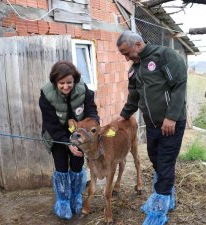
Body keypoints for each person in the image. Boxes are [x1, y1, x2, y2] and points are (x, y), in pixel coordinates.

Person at [116, 31, 187, 225]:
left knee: (164, 165)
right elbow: (133, 97)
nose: (125, 57)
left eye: (126, 52)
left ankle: (158, 212)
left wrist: (171, 117)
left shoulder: (165, 56)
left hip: (171, 124)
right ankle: (167, 198)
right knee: (156, 161)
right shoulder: (134, 69)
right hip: (152, 125)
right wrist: (122, 117)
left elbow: (179, 86)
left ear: (138, 45)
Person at [39, 61, 99, 220]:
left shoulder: (83, 90)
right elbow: (50, 124)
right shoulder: (46, 94)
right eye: (62, 83)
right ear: (55, 82)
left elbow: (91, 110)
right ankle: (63, 202)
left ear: (75, 81)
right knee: (61, 168)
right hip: (57, 137)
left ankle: (76, 197)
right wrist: (67, 143)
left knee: (77, 165)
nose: (66, 86)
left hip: (79, 135)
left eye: (69, 83)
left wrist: (92, 126)